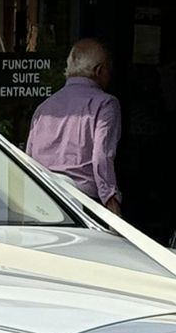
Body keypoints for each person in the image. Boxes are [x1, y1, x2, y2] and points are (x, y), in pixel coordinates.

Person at [23, 39, 122, 212]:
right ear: (99, 70)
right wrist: (111, 201)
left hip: (43, 200)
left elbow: (29, 158)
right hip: (82, 202)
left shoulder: (44, 107)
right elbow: (102, 156)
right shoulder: (105, 104)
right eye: (109, 69)